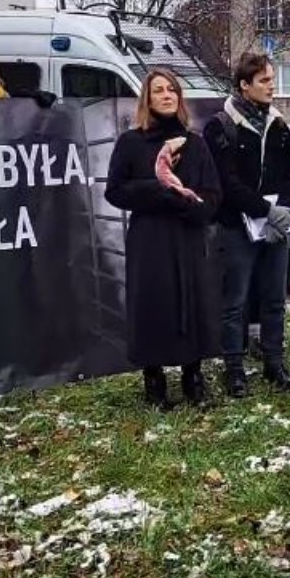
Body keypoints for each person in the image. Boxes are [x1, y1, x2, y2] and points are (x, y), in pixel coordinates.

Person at [104, 69, 223, 409]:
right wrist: (158, 190)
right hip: (150, 239)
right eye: (159, 90)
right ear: (148, 98)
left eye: (172, 89)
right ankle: (154, 381)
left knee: (191, 301)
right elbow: (115, 191)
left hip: (186, 236)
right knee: (153, 305)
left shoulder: (195, 144)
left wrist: (193, 207)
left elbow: (213, 194)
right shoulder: (131, 142)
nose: (167, 95)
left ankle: (193, 377)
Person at [203, 52, 290, 397]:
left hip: (276, 227)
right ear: (244, 86)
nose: (271, 86)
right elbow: (226, 182)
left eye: (272, 79)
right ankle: (234, 367)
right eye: (264, 81)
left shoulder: (278, 123)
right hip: (237, 226)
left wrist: (285, 209)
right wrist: (264, 209)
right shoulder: (220, 125)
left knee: (275, 297)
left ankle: (274, 361)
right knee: (236, 299)